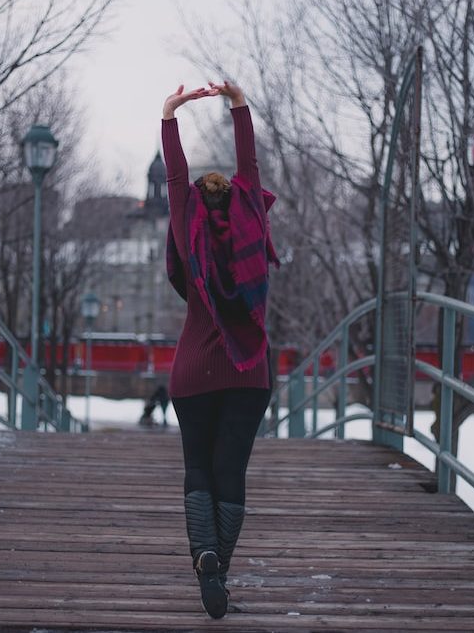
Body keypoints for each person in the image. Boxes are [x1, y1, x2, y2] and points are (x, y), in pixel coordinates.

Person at [161, 81, 280, 619]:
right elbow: (249, 165)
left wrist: (170, 116)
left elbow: (175, 176)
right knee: (230, 470)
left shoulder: (188, 234)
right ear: (238, 201)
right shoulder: (250, 219)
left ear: (194, 210)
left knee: (197, 469)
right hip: (247, 369)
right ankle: (219, 571)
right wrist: (237, 104)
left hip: (192, 371)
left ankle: (203, 553)